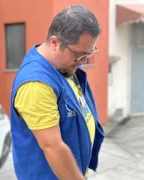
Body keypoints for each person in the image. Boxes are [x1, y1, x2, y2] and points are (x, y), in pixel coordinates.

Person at [10, 5, 105, 180]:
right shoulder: (36, 84)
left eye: (88, 54)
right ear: (54, 43)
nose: (82, 62)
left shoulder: (64, 65)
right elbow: (53, 147)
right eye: (78, 55)